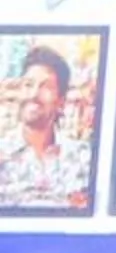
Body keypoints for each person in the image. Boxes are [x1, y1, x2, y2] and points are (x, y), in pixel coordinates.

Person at [0, 48, 88, 211]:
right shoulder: (2, 154)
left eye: (45, 87)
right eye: (28, 85)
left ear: (61, 100)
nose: (33, 94)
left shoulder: (83, 158)